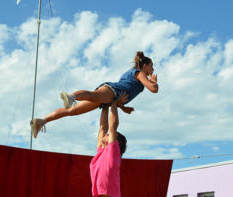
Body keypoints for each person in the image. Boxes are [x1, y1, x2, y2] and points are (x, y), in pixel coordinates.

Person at [30, 51, 158, 138]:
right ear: (145, 66)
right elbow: (153, 89)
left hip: (112, 97)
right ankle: (71, 97)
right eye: (151, 66)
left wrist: (123, 107)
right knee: (92, 95)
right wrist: (153, 81)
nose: (153, 69)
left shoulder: (133, 76)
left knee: (72, 111)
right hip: (112, 91)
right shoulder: (139, 73)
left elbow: (123, 94)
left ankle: (41, 121)